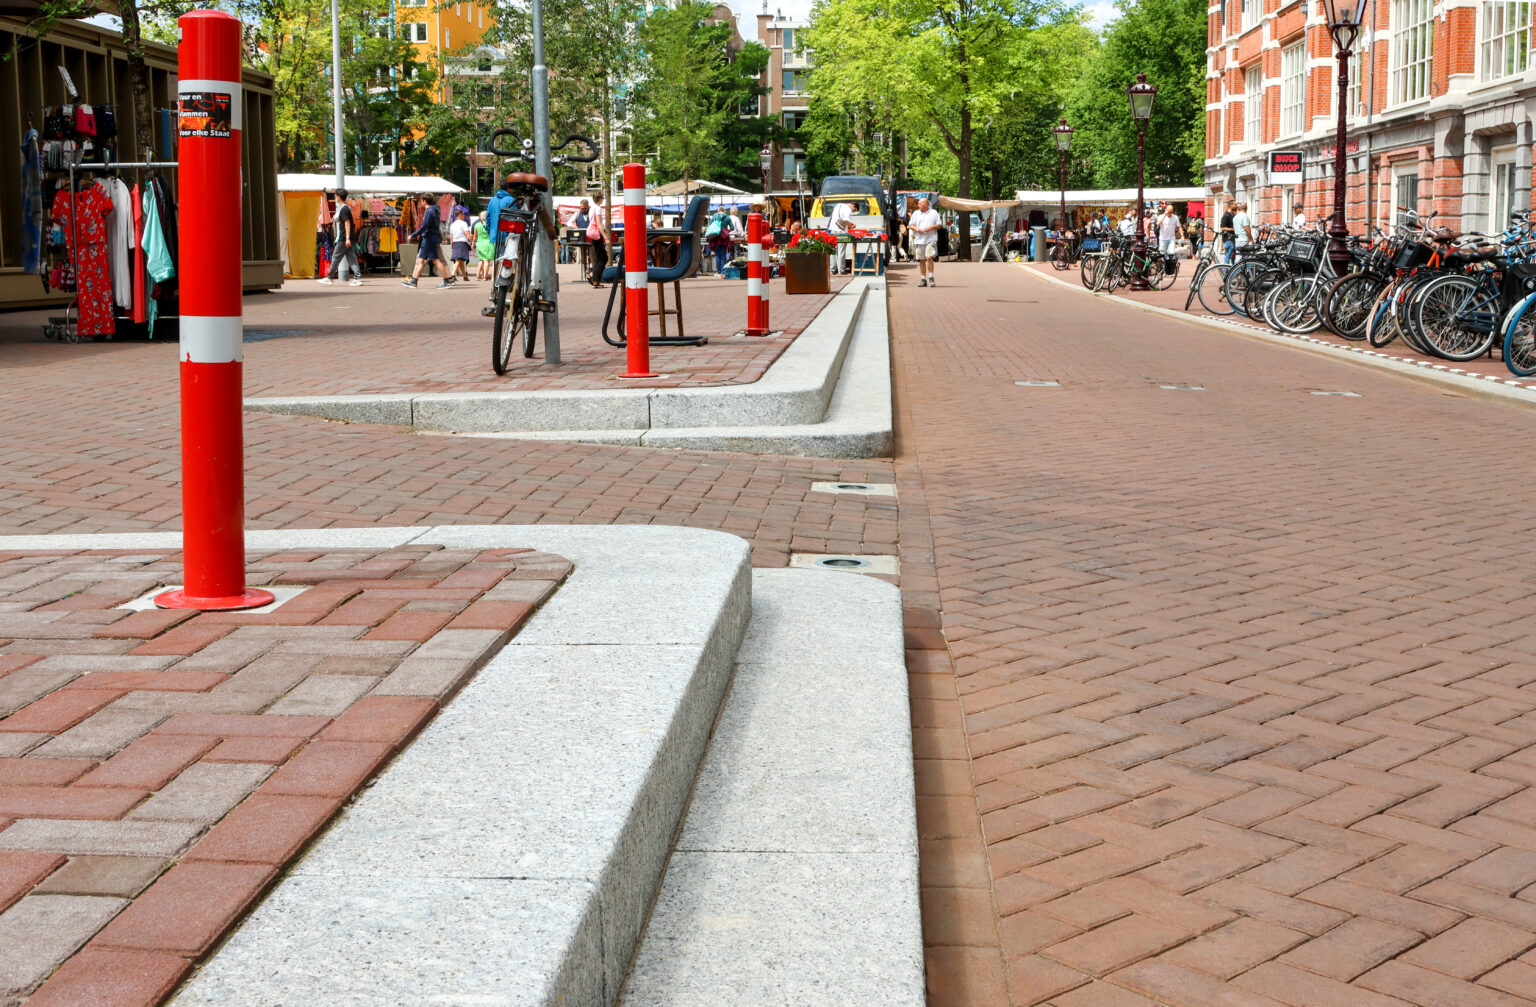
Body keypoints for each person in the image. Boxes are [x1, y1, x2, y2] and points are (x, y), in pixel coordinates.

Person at [402, 193, 453, 289]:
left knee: (435, 260)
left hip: (429, 238)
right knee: (422, 260)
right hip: (431, 238)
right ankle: (414, 281)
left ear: (424, 201)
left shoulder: (429, 211)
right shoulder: (434, 210)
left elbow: (424, 226)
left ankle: (446, 281)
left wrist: (413, 235)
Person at [317, 189, 361, 286]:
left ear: (338, 196)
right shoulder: (345, 208)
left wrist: (347, 238)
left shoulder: (344, 209)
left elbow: (347, 223)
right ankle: (357, 278)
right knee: (351, 258)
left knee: (336, 257)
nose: (334, 197)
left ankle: (329, 277)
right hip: (347, 237)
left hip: (344, 238)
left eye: (335, 196)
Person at [908, 196, 942, 287]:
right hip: (919, 240)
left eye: (920, 203)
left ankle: (931, 277)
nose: (918, 205)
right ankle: (923, 278)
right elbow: (910, 225)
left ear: (925, 204)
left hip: (931, 239)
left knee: (929, 257)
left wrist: (930, 227)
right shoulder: (916, 213)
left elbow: (939, 225)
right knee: (921, 260)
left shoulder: (934, 213)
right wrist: (917, 229)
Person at [587, 192, 609, 288]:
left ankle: (595, 278)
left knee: (600, 257)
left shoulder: (591, 208)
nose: (603, 199)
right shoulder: (598, 208)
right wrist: (606, 237)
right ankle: (594, 278)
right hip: (597, 234)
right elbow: (599, 224)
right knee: (603, 258)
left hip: (592, 234)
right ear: (600, 198)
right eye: (602, 197)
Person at [828, 199, 854, 274]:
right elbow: (846, 220)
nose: (852, 211)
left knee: (833, 251)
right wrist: (851, 227)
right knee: (841, 251)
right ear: (853, 205)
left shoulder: (838, 205)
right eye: (854, 210)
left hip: (833, 230)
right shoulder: (848, 209)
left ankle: (832, 270)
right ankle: (841, 270)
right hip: (841, 232)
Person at [706, 206, 735, 275]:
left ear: (718, 211)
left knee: (717, 255)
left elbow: (709, 225)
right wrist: (726, 230)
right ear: (724, 211)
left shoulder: (714, 216)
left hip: (715, 237)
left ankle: (718, 272)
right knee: (723, 255)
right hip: (724, 238)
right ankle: (723, 271)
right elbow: (732, 227)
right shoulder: (727, 217)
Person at [449, 208, 472, 282]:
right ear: (460, 215)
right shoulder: (463, 223)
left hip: (455, 242)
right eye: (463, 214)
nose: (464, 216)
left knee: (460, 260)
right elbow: (467, 233)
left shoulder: (452, 224)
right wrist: (471, 240)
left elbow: (451, 236)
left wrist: (452, 245)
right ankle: (452, 275)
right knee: (459, 259)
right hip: (462, 242)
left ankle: (464, 276)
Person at [473, 212, 493, 281]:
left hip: (479, 244)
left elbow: (475, 236)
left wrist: (473, 243)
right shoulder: (490, 225)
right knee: (487, 260)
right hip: (488, 244)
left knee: (481, 260)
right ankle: (485, 276)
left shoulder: (477, 225)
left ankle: (478, 275)